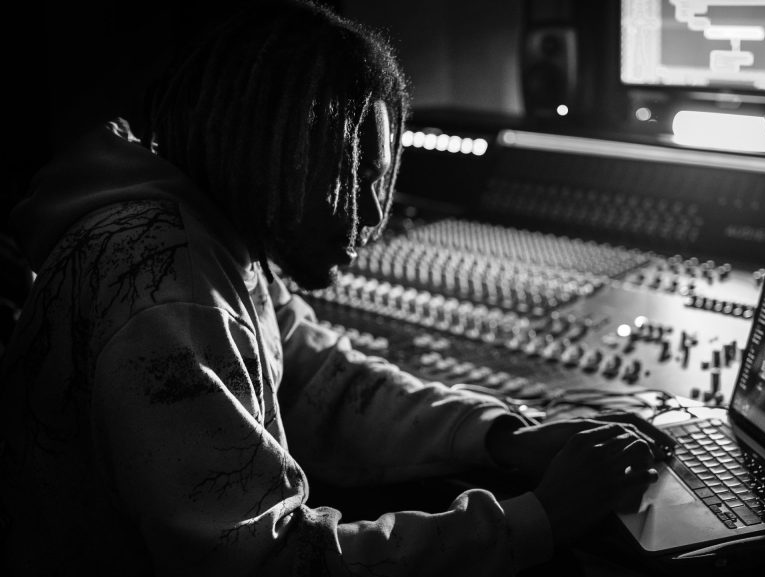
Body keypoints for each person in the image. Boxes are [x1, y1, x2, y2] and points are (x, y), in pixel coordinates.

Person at [0, 1, 670, 574]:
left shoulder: (207, 234)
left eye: (381, 176)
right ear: (268, 151)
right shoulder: (169, 288)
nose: (372, 212)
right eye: (352, 171)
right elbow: (272, 566)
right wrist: (540, 517)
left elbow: (322, 383)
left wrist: (502, 435)